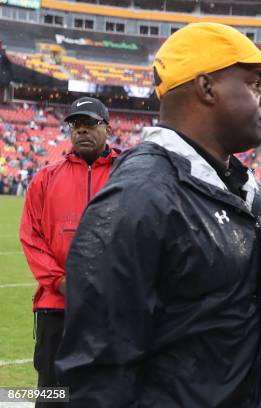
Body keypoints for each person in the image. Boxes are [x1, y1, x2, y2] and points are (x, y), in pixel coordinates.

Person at [55, 23, 261, 407]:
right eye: (254, 84)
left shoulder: (219, 185)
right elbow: (97, 374)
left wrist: (243, 358)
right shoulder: (141, 195)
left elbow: (197, 314)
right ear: (207, 88)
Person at [19, 97, 119, 407]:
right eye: (76, 125)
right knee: (52, 396)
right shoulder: (46, 177)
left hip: (113, 308)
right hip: (57, 307)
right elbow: (31, 236)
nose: (82, 131)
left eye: (90, 123)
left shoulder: (129, 174)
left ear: (108, 128)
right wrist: (61, 282)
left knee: (108, 394)